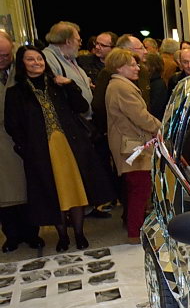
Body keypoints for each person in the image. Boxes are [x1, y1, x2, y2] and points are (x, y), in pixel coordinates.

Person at [5, 45, 113, 252]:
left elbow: (82, 107)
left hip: (70, 146)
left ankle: (79, 233)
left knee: (75, 188)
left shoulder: (58, 84)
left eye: (39, 59)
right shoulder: (16, 93)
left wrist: (70, 85)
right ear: (22, 63)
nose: (37, 63)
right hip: (41, 151)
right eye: (30, 59)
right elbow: (13, 125)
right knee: (52, 192)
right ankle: (62, 236)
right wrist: (26, 148)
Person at [104, 48, 162, 244]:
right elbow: (140, 116)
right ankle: (135, 233)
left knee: (137, 189)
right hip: (132, 147)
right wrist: (162, 128)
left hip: (131, 144)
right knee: (140, 189)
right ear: (119, 67)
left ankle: (136, 229)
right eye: (132, 65)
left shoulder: (118, 85)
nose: (137, 68)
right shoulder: (122, 87)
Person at [0, 30, 42, 252]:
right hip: (1, 143)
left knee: (28, 188)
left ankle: (32, 233)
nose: (2, 59)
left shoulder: (22, 71)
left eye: (6, 55)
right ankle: (11, 236)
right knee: (5, 194)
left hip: (25, 138)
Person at [42, 21, 93, 109]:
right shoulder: (47, 58)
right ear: (68, 41)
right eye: (78, 40)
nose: (80, 44)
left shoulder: (69, 57)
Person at [144, 53, 168, 120]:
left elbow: (154, 110)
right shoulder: (148, 82)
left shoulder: (158, 85)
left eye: (144, 64)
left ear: (153, 67)